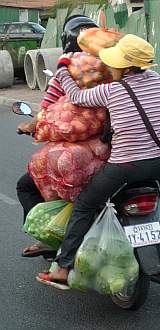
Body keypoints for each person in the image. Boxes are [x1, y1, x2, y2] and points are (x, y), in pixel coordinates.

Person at [37, 34, 160, 286]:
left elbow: (76, 97)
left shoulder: (112, 91)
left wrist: (62, 69)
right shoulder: (155, 79)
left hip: (126, 166)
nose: (110, 67)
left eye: (115, 63)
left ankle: (62, 268)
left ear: (125, 66)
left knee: (84, 204)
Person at [16, 15, 99, 258]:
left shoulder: (67, 70)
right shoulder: (113, 68)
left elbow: (46, 113)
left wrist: (29, 125)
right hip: (113, 150)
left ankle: (47, 238)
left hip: (75, 154)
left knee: (27, 185)